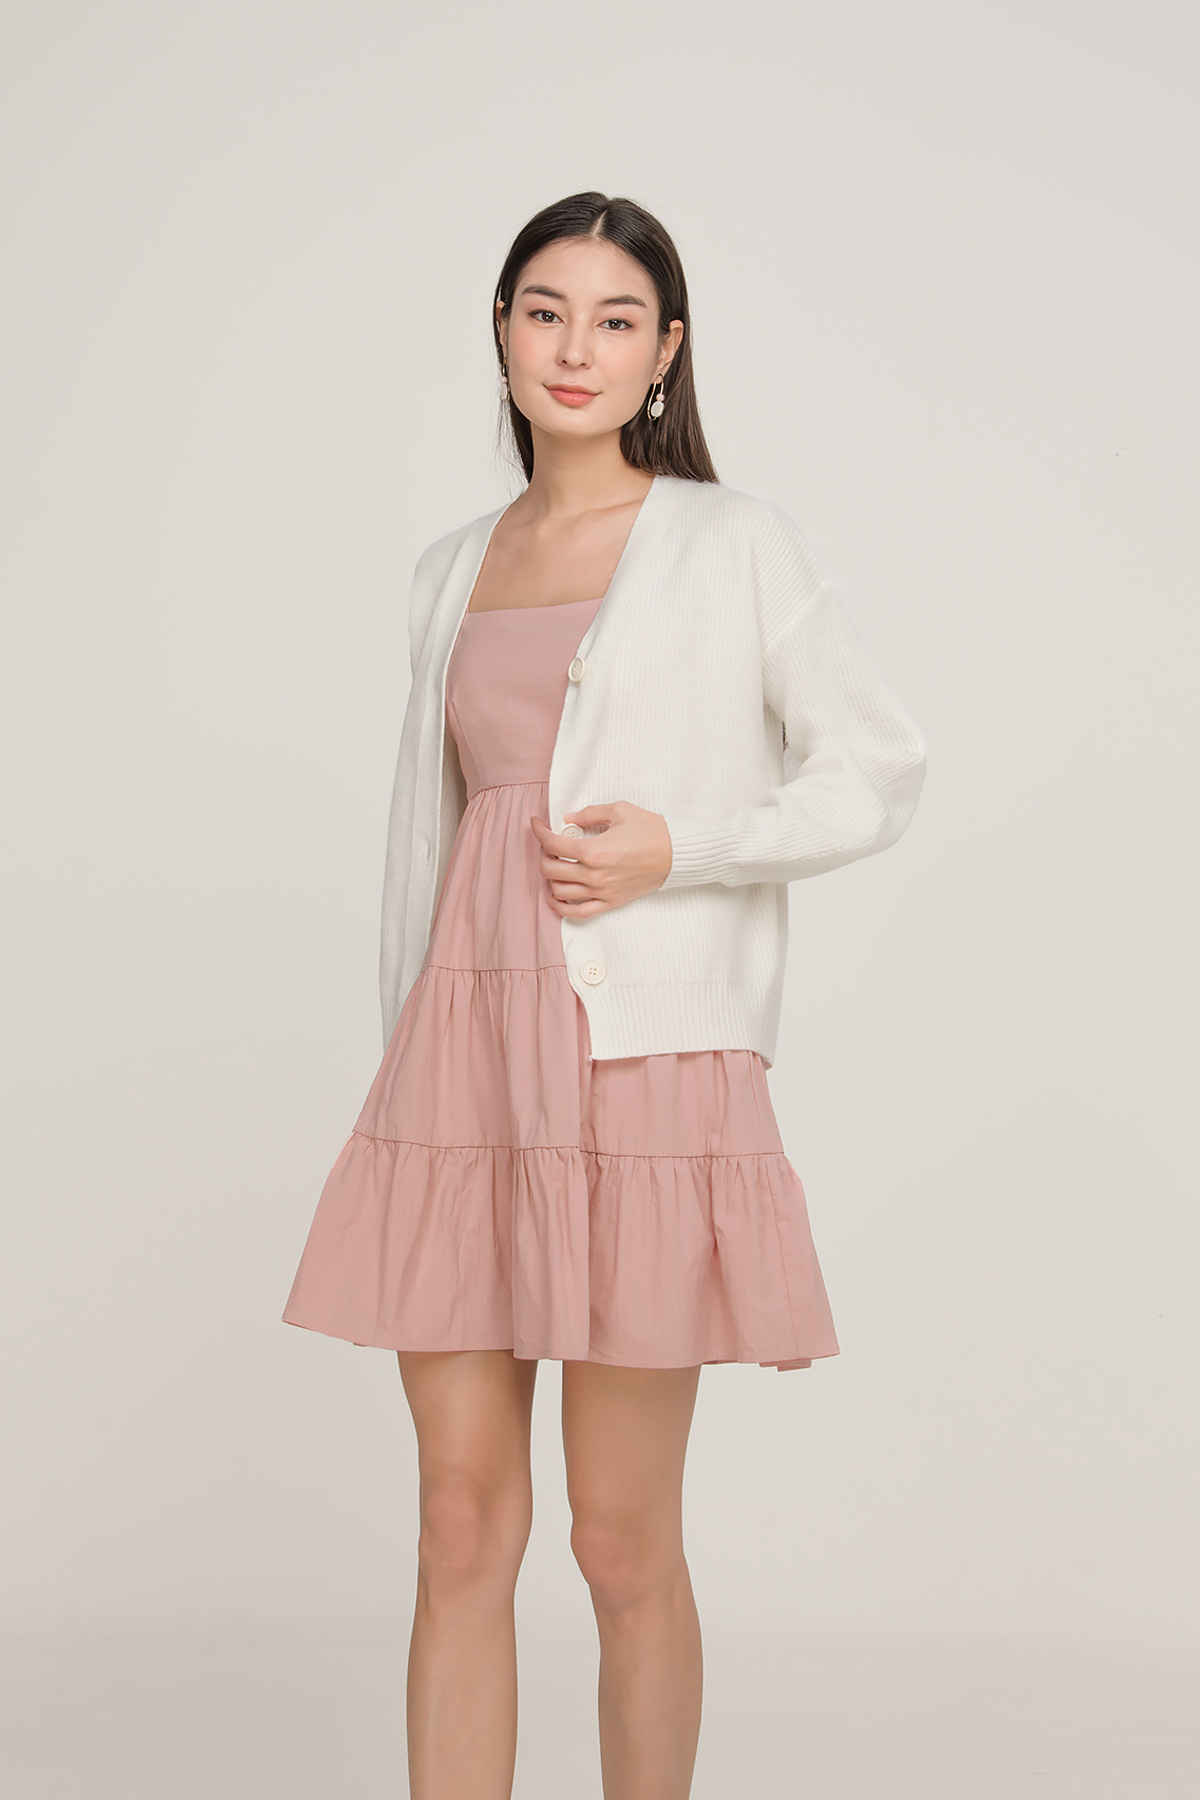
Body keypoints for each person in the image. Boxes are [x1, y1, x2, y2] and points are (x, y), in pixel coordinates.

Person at [282, 189, 926, 1800]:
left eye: (616, 318)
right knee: (456, 1526)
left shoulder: (732, 542)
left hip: (642, 1063)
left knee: (620, 1540)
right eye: (545, 310)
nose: (576, 347)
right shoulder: (450, 568)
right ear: (500, 334)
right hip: (463, 1065)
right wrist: (405, 1054)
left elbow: (877, 770)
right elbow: (431, 834)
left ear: (666, 353)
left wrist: (683, 849)